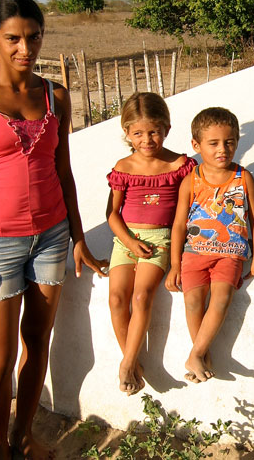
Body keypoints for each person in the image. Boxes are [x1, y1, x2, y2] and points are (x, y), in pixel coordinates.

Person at [0, 0, 108, 460]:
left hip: (52, 238)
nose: (25, 48)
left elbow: (64, 172)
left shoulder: (55, 95)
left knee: (37, 342)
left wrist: (77, 236)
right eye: (13, 38)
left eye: (34, 37)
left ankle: (24, 436)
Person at [165, 107, 254, 382]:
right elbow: (179, 224)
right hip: (193, 253)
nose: (222, 149)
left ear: (237, 141)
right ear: (196, 145)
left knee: (221, 299)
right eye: (213, 143)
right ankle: (202, 357)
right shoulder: (191, 180)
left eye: (229, 142)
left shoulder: (243, 177)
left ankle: (197, 355)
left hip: (230, 253)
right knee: (192, 302)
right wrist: (173, 264)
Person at [106, 92, 197, 395]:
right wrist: (129, 242)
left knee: (141, 296)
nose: (147, 140)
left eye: (154, 131)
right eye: (138, 133)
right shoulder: (124, 166)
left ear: (167, 129)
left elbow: (189, 209)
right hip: (125, 239)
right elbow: (112, 215)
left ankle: (126, 365)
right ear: (127, 133)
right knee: (117, 299)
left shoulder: (180, 165)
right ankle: (133, 364)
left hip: (160, 239)